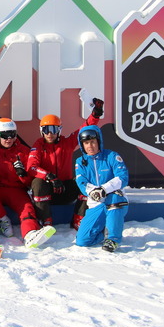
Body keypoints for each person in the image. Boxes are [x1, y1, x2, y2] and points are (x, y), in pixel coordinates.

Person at [26, 98, 104, 229]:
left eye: (53, 129)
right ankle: (45, 220)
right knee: (37, 183)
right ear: (41, 131)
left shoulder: (66, 143)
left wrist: (95, 115)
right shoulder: (38, 145)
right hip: (47, 189)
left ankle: (79, 219)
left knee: (85, 182)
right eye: (46, 129)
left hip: (65, 189)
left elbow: (83, 129)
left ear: (59, 130)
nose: (50, 133)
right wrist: (49, 176)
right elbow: (31, 167)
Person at [0, 118, 55, 248]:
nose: (9, 139)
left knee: (27, 208)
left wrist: (22, 175)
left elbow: (29, 182)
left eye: (12, 134)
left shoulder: (23, 152)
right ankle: (1, 220)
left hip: (14, 189)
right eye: (4, 135)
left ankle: (30, 234)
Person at [74, 125, 129, 252]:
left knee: (114, 197)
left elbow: (123, 177)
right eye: (86, 143)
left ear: (99, 141)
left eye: (93, 142)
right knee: (82, 241)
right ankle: (105, 231)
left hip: (115, 201)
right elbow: (81, 182)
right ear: (82, 145)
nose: (90, 146)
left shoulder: (111, 156)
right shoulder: (80, 161)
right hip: (96, 204)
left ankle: (113, 239)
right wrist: (93, 191)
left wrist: (104, 189)